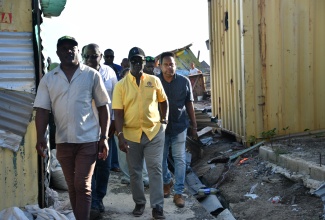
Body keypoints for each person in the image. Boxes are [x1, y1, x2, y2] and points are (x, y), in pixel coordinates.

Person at [34, 36, 110, 220]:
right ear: (58, 52)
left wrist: (104, 137)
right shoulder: (49, 79)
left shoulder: (91, 75)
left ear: (78, 51)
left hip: (88, 140)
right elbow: (42, 110)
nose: (68, 51)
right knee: (72, 186)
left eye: (72, 48)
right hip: (63, 141)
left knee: (82, 185)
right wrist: (40, 137)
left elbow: (103, 106)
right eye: (64, 48)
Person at [112, 47, 169, 219]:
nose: (137, 64)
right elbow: (118, 113)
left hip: (153, 132)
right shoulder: (121, 86)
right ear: (129, 63)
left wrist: (164, 121)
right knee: (134, 171)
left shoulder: (153, 80)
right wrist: (120, 135)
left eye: (140, 61)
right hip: (131, 135)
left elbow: (164, 101)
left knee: (155, 169)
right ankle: (139, 203)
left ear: (144, 63)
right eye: (134, 61)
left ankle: (157, 207)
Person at [157, 52, 198, 208]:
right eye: (166, 64)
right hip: (160, 129)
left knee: (180, 160)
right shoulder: (155, 82)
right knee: (160, 160)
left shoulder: (184, 81)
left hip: (180, 126)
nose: (169, 67)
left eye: (172, 64)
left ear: (176, 65)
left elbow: (189, 104)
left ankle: (179, 193)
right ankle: (167, 181)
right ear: (160, 66)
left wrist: (194, 126)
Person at [82, 43, 118, 213]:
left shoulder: (110, 73)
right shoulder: (80, 73)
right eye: (87, 56)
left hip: (106, 127)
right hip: (86, 128)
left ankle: (99, 199)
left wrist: (113, 124)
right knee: (89, 165)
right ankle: (91, 201)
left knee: (104, 165)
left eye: (94, 55)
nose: (90, 59)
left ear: (101, 56)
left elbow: (115, 99)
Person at [103, 48, 122, 172]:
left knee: (112, 141)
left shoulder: (117, 69)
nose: (109, 58)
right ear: (104, 57)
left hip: (112, 111)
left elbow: (117, 92)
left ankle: (114, 164)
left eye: (111, 56)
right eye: (107, 56)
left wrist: (115, 117)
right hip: (99, 113)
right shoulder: (101, 69)